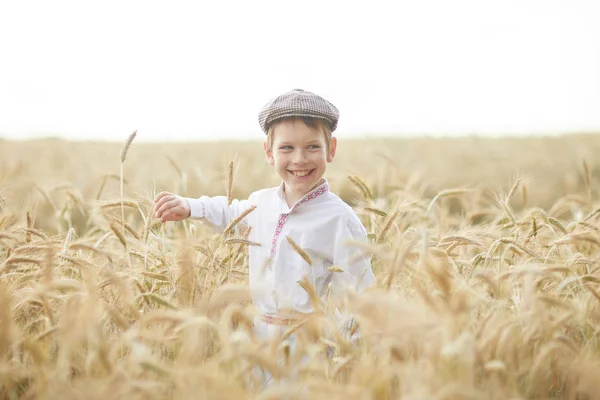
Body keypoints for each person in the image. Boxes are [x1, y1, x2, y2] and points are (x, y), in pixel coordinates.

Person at [153, 88, 376, 379]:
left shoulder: (339, 219)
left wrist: (348, 361)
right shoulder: (261, 202)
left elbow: (358, 296)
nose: (300, 159)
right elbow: (230, 213)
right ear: (269, 152)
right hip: (257, 341)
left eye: (312, 147)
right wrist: (189, 206)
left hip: (307, 348)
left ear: (331, 149)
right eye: (286, 148)